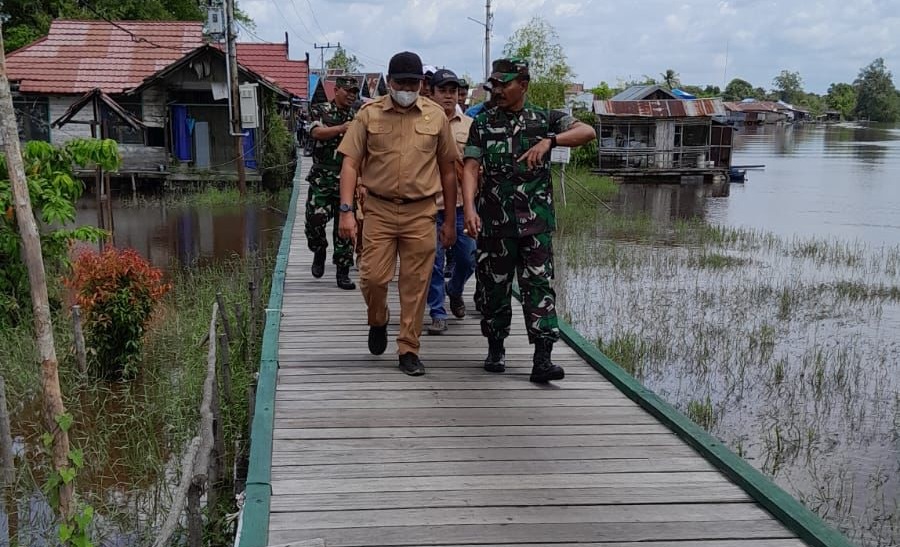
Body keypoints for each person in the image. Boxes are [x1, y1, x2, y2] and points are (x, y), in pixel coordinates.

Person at [461, 57, 596, 383]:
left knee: (539, 288)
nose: (498, 90)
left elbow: (587, 131)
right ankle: (496, 348)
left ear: (523, 84)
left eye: (505, 84)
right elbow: (470, 167)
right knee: (493, 288)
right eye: (495, 84)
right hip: (495, 223)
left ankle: (542, 360)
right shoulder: (483, 122)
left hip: (535, 226)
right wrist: (469, 208)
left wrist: (550, 141)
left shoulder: (545, 120)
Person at [337, 51, 459, 377]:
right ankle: (378, 319)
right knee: (373, 278)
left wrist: (449, 221)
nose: (408, 88)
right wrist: (346, 211)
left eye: (414, 82)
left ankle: (408, 347)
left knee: (415, 284)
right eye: (402, 82)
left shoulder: (436, 118)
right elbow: (349, 162)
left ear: (422, 84)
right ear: (389, 82)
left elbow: (449, 170)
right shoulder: (369, 115)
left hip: (421, 213)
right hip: (377, 209)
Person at [425, 69, 476, 335]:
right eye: (443, 90)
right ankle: (437, 311)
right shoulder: (420, 123)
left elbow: (477, 166)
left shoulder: (469, 125)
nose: (448, 96)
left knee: (468, 257)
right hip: (428, 205)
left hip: (460, 205)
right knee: (433, 260)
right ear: (430, 93)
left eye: (453, 91)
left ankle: (454, 290)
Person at [305, 76, 360, 290]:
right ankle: (319, 249)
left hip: (347, 179)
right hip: (322, 177)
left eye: (354, 92)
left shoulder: (357, 116)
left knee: (345, 228)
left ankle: (343, 271)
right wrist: (341, 128)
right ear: (336, 90)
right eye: (348, 91)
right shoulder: (321, 110)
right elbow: (316, 132)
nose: (352, 95)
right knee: (315, 219)